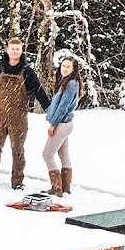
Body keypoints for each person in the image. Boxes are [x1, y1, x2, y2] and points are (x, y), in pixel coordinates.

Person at [0, 37, 51, 189]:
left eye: (18, 49)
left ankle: (17, 182)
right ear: (7, 50)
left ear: (21, 50)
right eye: (12, 48)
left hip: (18, 116)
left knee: (18, 150)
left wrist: (50, 110)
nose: (15, 51)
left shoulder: (27, 71)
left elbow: (38, 91)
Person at [41, 54, 81, 196]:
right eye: (63, 66)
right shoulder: (68, 82)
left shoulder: (70, 84)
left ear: (73, 69)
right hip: (66, 124)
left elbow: (63, 108)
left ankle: (56, 187)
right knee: (63, 154)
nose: (64, 68)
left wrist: (53, 124)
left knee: (47, 154)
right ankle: (65, 188)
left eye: (68, 66)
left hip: (62, 124)